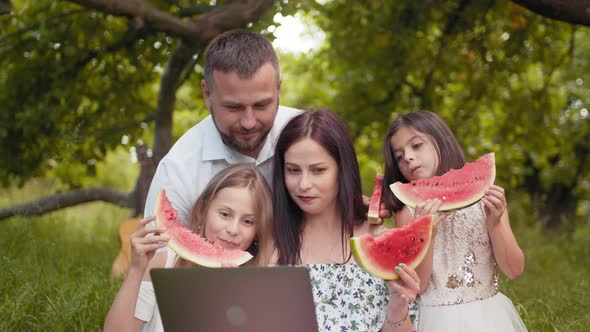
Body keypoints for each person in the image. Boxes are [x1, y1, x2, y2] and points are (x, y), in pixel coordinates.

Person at [272, 109, 418, 332]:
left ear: (343, 170)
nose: (303, 184)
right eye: (293, 170)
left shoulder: (380, 240)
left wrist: (398, 306)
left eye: (318, 170)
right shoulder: (267, 239)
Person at [382, 110, 527, 331]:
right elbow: (418, 285)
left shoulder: (485, 199)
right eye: (399, 156)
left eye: (416, 145)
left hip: (489, 318)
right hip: (435, 319)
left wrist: (495, 224)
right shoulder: (406, 211)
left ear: (440, 140)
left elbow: (515, 269)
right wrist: (424, 234)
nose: (408, 157)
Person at [142, 29, 301, 224]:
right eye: (233, 107)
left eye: (261, 105)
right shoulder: (178, 170)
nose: (248, 122)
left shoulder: (311, 137)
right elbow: (161, 250)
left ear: (278, 88)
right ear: (207, 94)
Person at [104, 164, 274, 332]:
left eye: (248, 221)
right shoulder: (164, 263)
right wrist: (135, 270)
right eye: (224, 214)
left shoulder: (261, 283)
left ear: (258, 231)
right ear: (203, 211)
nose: (233, 229)